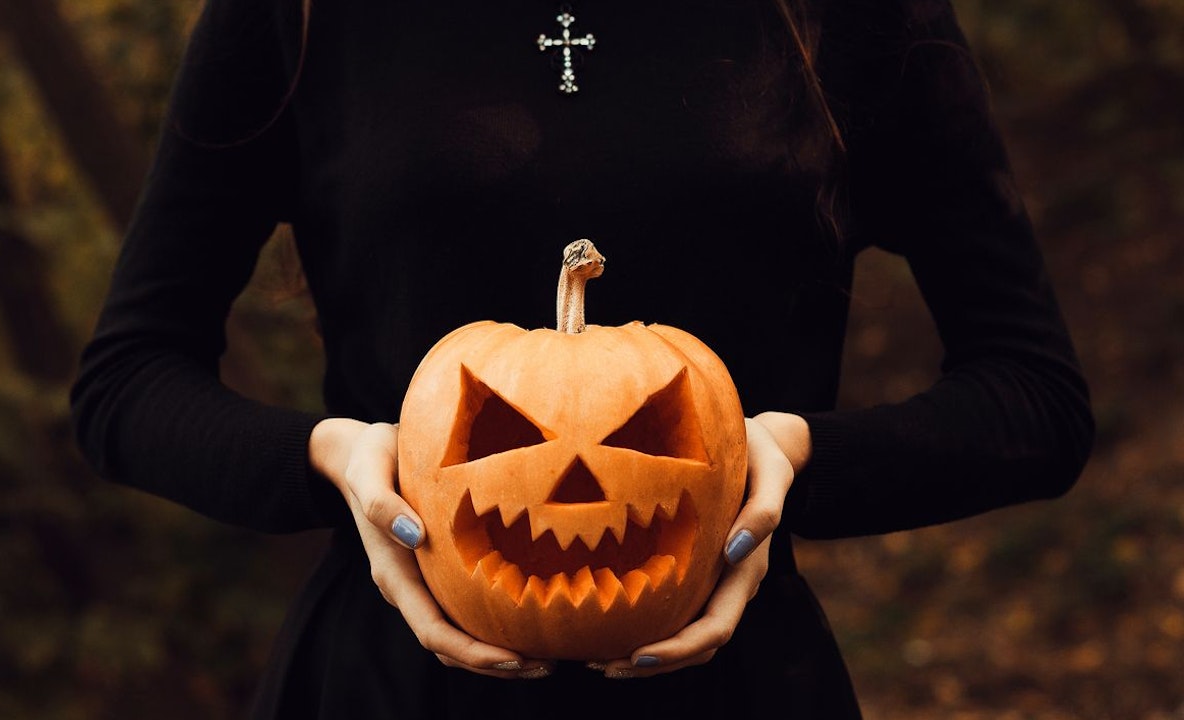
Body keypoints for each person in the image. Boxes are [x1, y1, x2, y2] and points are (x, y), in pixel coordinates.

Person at [69, 0, 1095, 717]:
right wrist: (333, 461)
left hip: (738, 689)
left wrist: (786, 455)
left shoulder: (842, 11)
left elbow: (1030, 397)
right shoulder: (301, 10)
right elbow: (128, 381)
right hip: (388, 687)